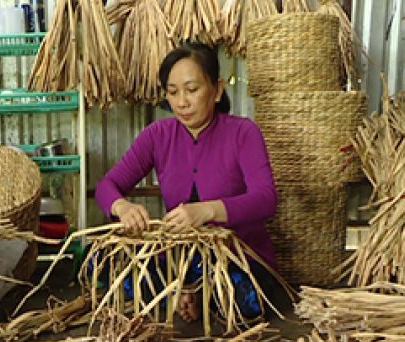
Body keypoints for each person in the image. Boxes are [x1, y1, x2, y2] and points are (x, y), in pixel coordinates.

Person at [95, 42, 279, 322]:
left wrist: (208, 210)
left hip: (237, 260)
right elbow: (107, 186)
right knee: (104, 263)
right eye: (173, 92)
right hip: (179, 260)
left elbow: (266, 199)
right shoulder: (158, 135)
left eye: (192, 90)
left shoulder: (243, 133)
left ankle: (198, 297)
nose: (182, 102)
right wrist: (122, 207)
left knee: (244, 300)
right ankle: (181, 294)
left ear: (216, 90)